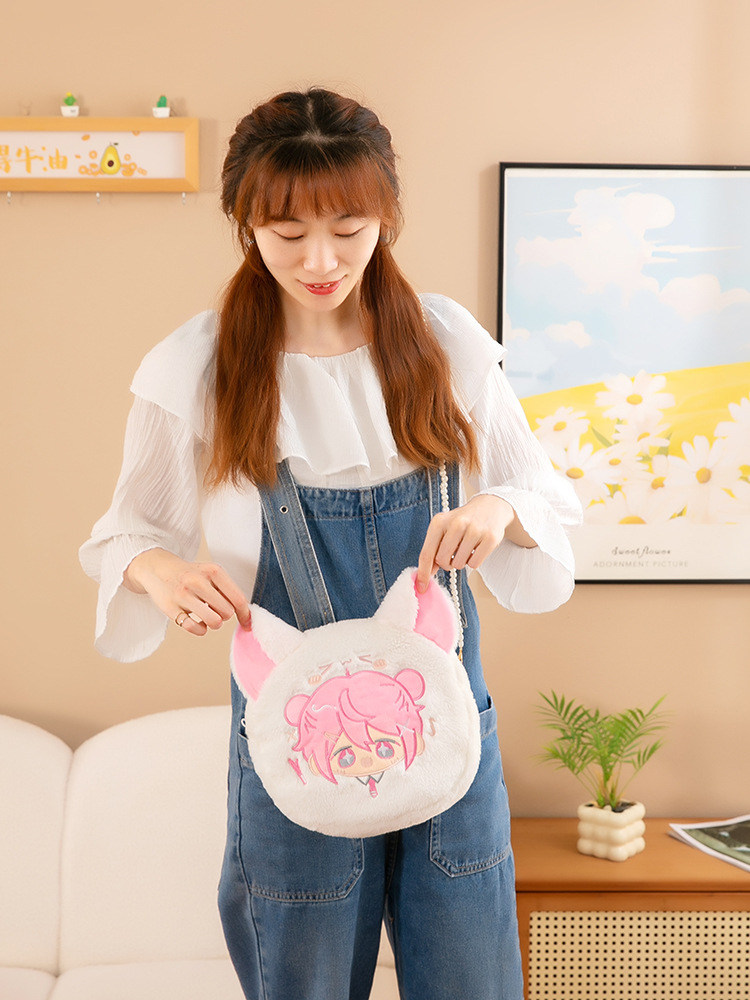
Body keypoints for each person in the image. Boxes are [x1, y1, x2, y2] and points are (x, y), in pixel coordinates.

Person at [80, 87, 581, 1000]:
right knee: (303, 983)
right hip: (295, 735)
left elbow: (541, 494)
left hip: (443, 719)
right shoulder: (196, 367)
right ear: (245, 224)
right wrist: (161, 573)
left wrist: (496, 510)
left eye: (349, 229)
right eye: (288, 233)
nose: (321, 260)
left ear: (386, 217)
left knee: (472, 978)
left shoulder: (446, 345)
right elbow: (127, 532)